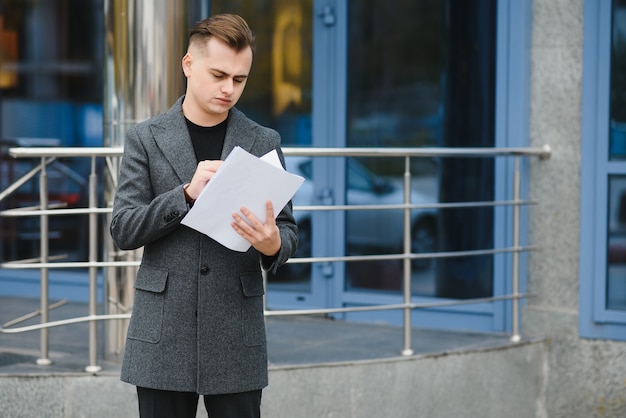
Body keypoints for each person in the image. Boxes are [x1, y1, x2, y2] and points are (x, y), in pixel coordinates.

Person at [110, 14, 298, 418]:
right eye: (218, 75)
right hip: (163, 335)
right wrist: (184, 196)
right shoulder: (144, 138)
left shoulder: (265, 141)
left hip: (236, 335)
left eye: (239, 79)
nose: (229, 89)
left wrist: (274, 244)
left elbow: (287, 229)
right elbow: (123, 229)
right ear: (188, 65)